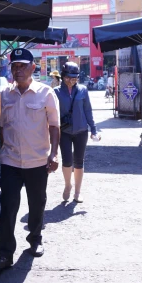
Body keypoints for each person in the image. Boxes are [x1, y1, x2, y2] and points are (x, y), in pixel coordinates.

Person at [0, 48, 60, 270]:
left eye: (22, 66)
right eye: (14, 66)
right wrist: (2, 150)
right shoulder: (5, 95)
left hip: (37, 161)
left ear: (33, 68)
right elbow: (1, 125)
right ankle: (5, 253)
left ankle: (35, 239)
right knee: (8, 205)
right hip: (10, 161)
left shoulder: (46, 93)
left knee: (37, 203)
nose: (17, 70)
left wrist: (54, 153)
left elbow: (55, 126)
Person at [54, 62, 98, 203]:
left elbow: (88, 110)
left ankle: (78, 192)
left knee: (79, 161)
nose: (71, 80)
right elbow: (51, 114)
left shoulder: (83, 90)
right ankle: (68, 185)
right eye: (68, 77)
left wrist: (94, 130)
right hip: (64, 131)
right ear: (63, 76)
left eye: (74, 78)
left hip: (81, 131)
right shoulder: (55, 92)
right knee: (67, 161)